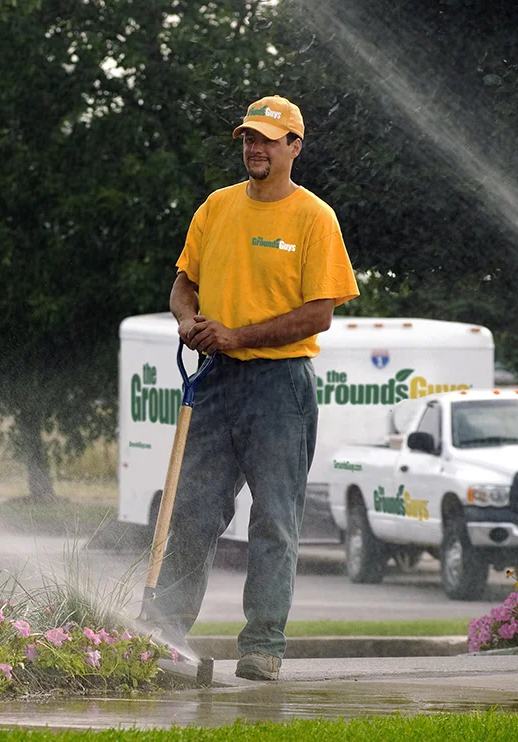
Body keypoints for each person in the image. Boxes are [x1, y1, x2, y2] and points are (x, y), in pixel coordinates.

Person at [148, 95, 359, 681]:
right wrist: (188, 321)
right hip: (215, 382)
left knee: (274, 519)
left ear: (295, 146)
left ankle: (263, 645)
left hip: (278, 386)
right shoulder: (215, 208)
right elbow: (182, 285)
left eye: (268, 138)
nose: (255, 147)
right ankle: (163, 637)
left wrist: (238, 334)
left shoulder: (314, 218)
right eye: (248, 138)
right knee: (190, 511)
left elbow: (318, 314)